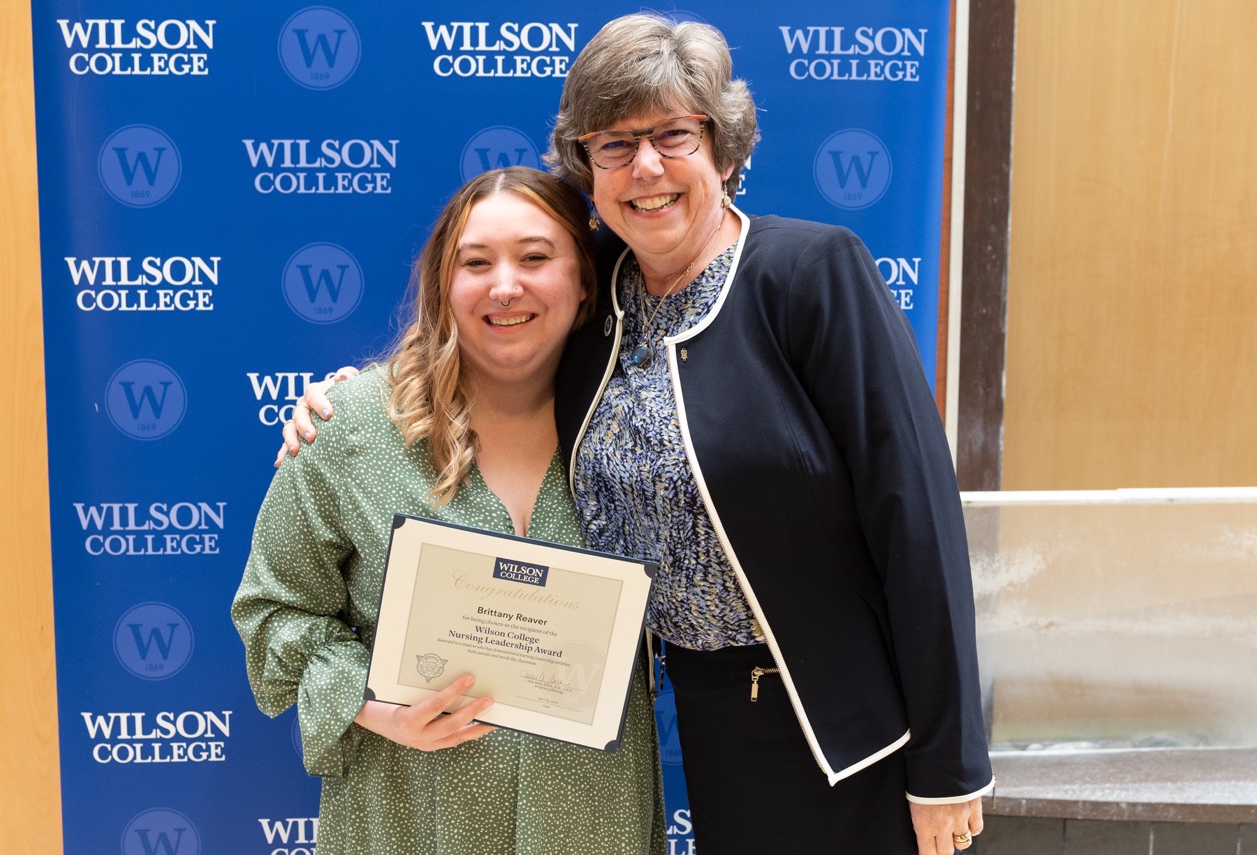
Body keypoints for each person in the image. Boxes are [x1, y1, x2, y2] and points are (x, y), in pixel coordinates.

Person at [281, 14, 993, 855]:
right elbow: (483, 325)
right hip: (710, 717)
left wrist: (949, 765)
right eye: (615, 144)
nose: (646, 166)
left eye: (672, 135)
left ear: (723, 149)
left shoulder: (810, 273)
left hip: (850, 730)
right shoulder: (596, 299)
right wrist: (344, 403)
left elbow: (916, 515)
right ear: (588, 168)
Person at [234, 166, 665, 855]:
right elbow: (272, 611)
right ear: (443, 284)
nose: (504, 285)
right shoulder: (350, 430)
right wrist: (371, 706)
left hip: (590, 817)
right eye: (475, 262)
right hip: (410, 814)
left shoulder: (643, 431)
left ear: (585, 278)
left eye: (534, 257)